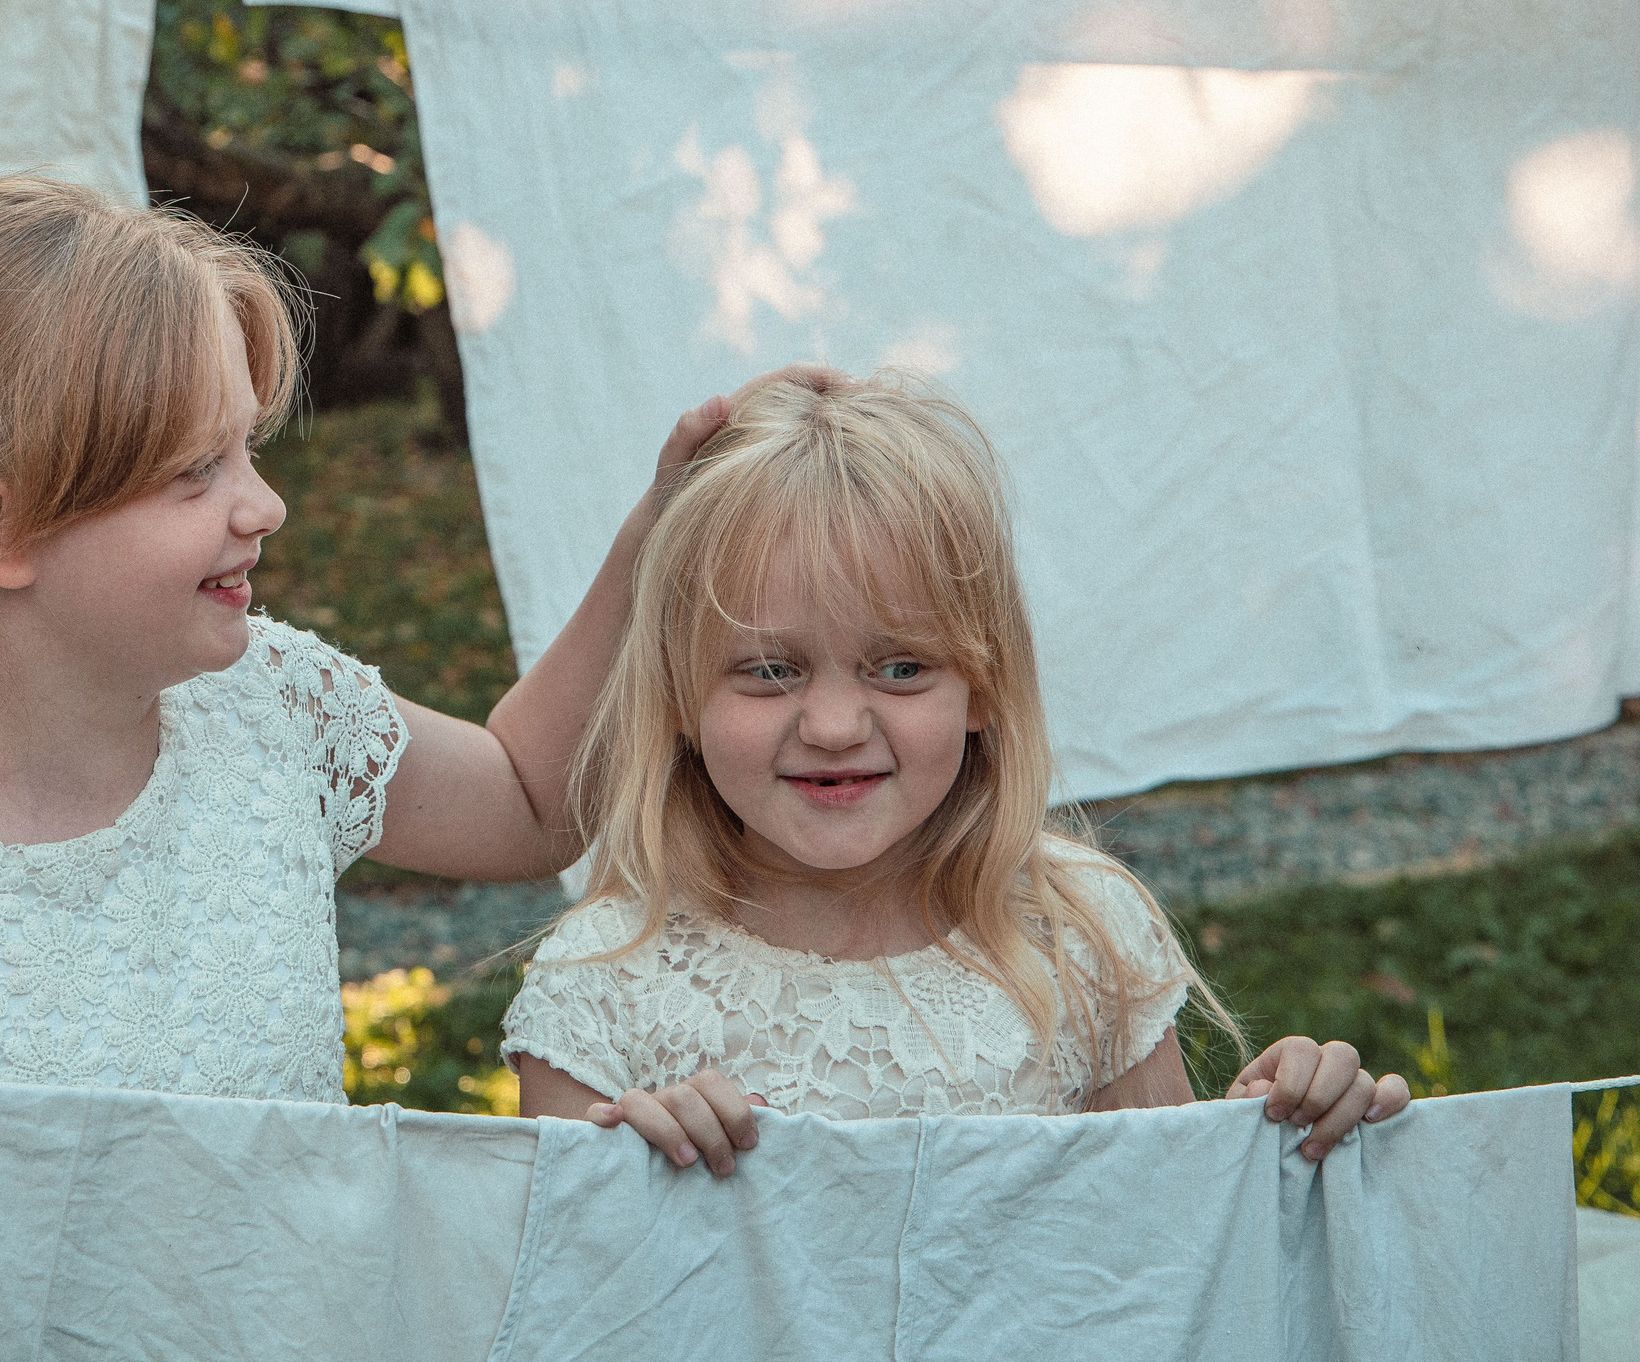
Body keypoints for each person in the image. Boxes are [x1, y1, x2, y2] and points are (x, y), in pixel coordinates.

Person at [0, 174, 730, 1119]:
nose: (263, 505)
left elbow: (532, 805)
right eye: (194, 472)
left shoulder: (272, 706)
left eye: (247, 451)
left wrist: (651, 539)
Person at [505, 365, 1411, 1174]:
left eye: (900, 668)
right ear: (675, 699)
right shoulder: (601, 983)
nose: (831, 725)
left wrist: (1268, 1139)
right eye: (770, 669)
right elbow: (581, 1308)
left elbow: (1163, 1256)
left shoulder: (1079, 937)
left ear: (983, 687)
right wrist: (630, 1184)